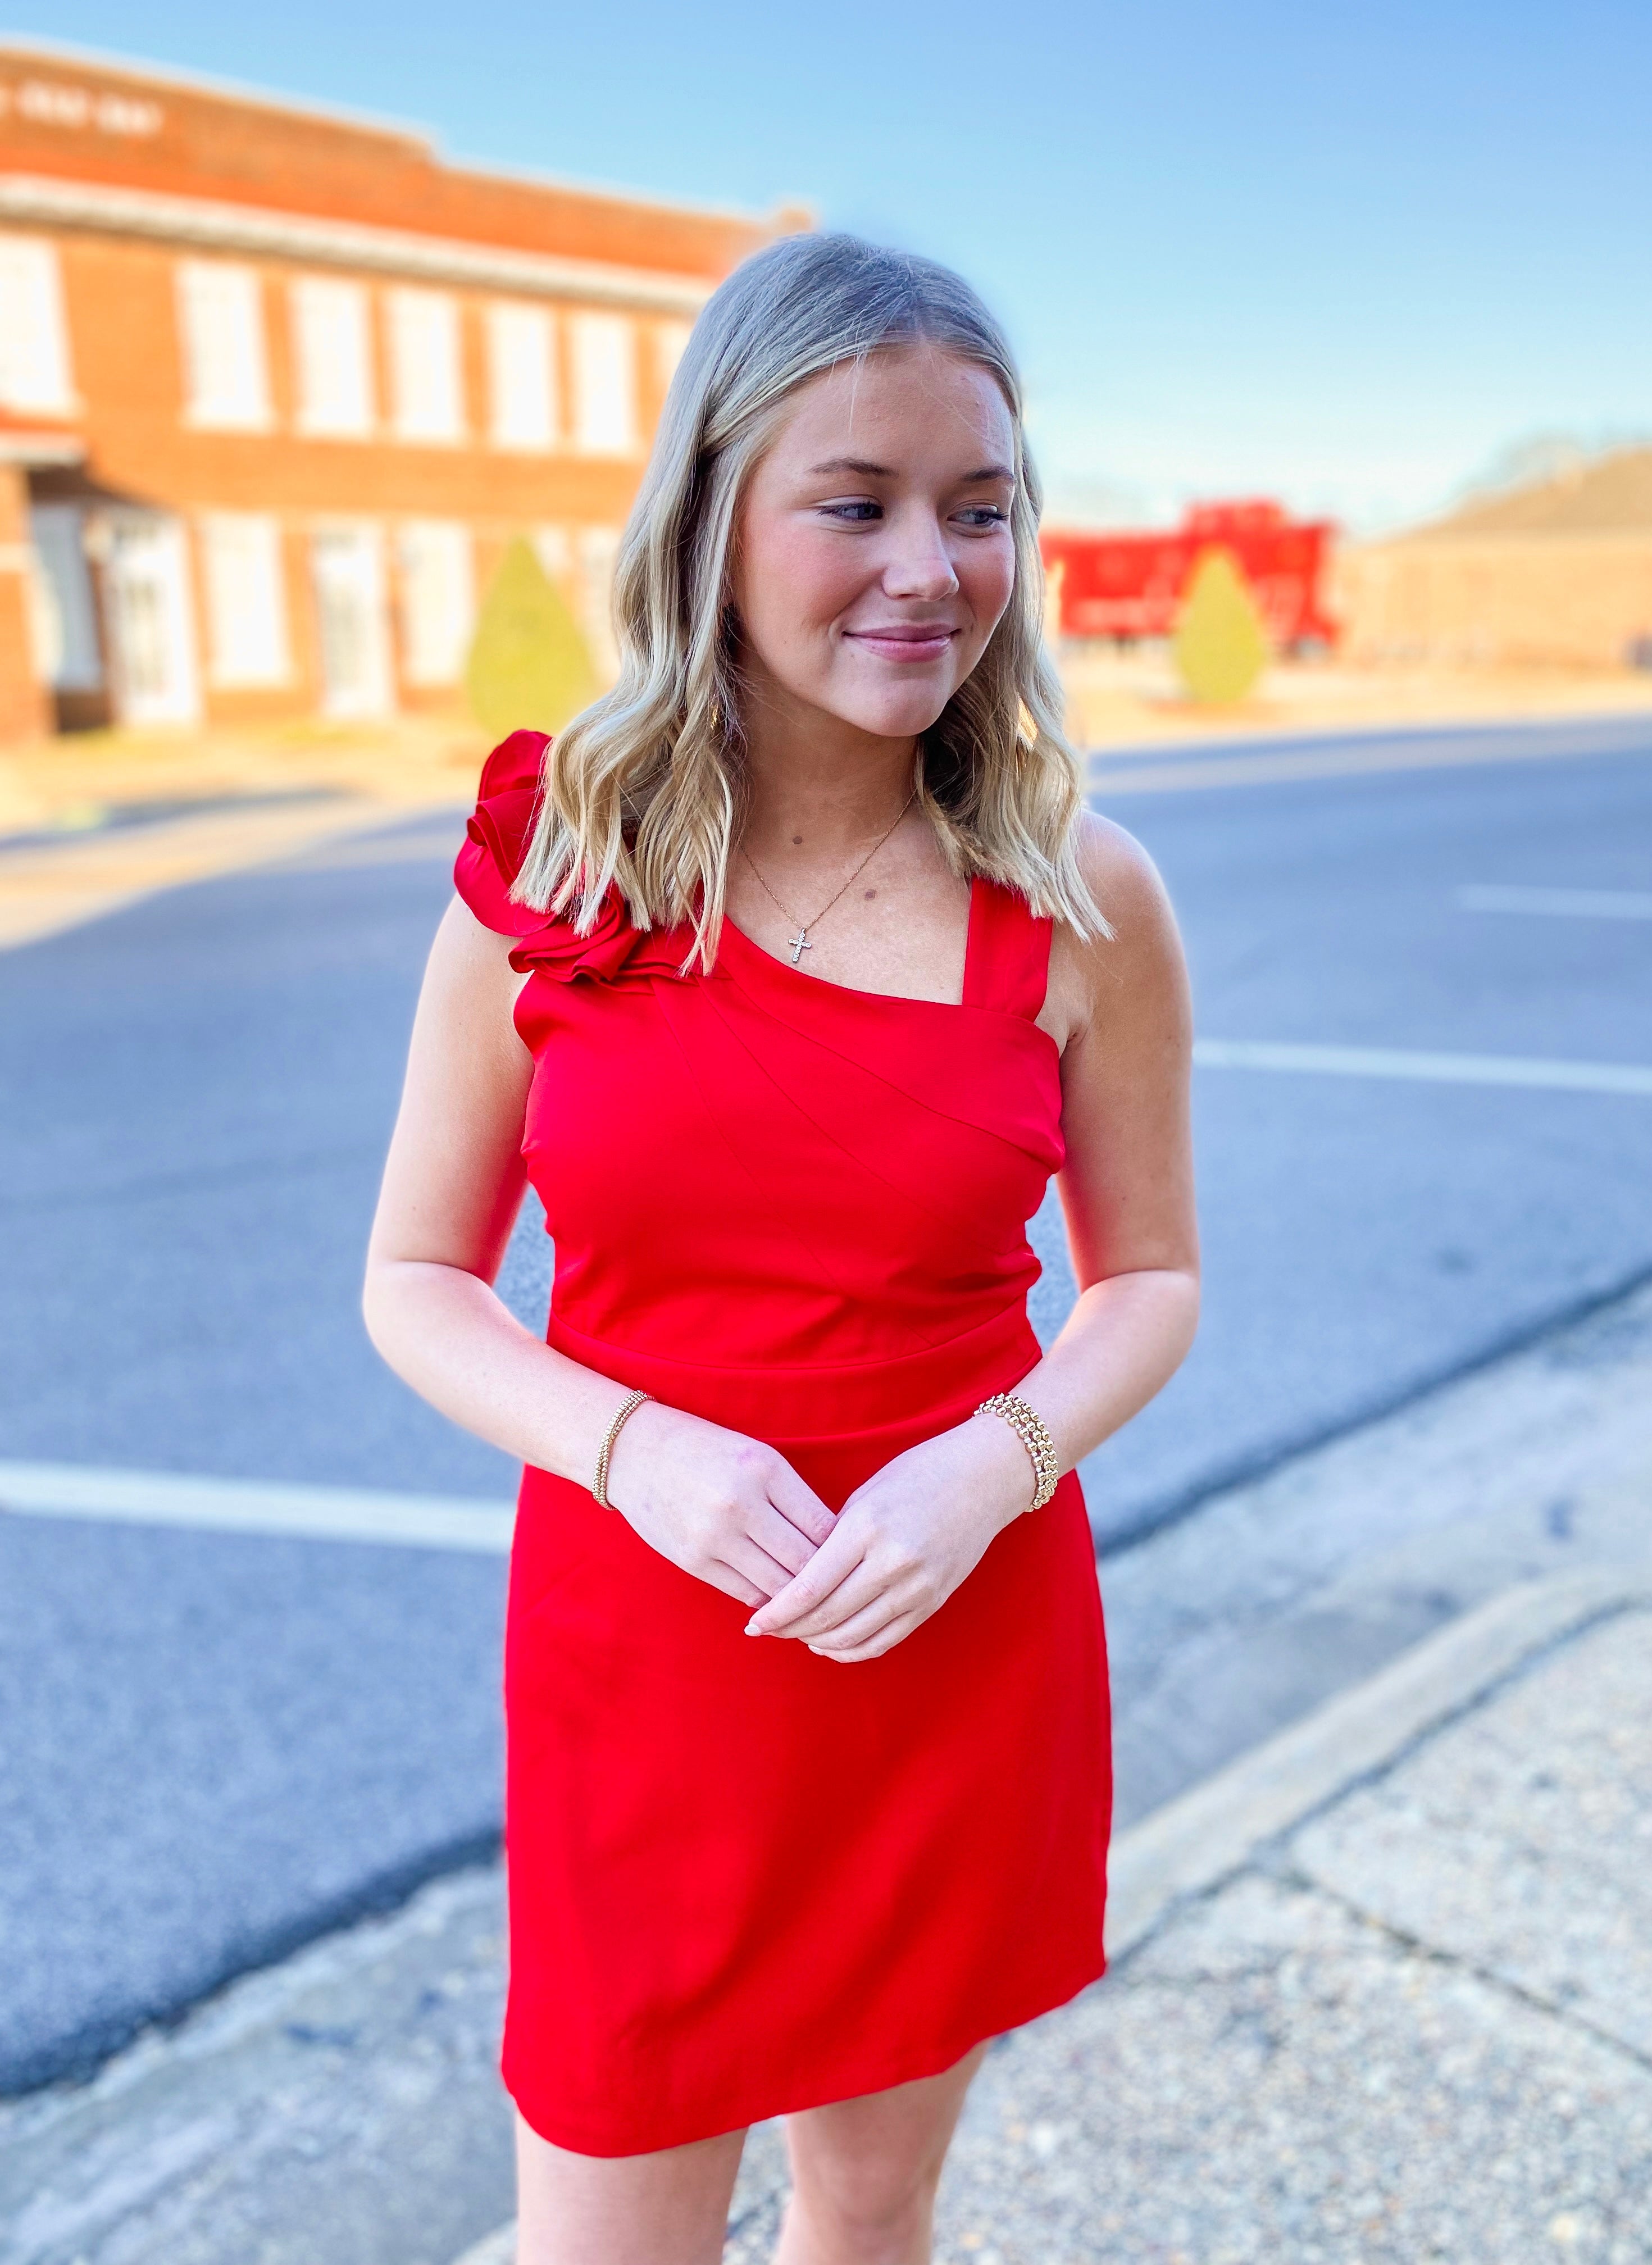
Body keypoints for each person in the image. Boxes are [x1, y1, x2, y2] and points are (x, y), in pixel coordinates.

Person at [364, 232, 1199, 2265]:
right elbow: (415, 1281)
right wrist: (636, 1448)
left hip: (953, 1634)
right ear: (716, 514)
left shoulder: (1084, 894)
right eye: (858, 503)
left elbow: (1150, 1282)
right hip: (646, 1661)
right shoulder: (556, 865)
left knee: (870, 2207)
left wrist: (990, 1463)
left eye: (979, 509)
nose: (931, 565)